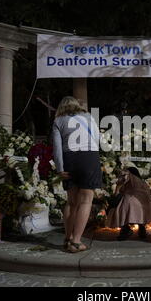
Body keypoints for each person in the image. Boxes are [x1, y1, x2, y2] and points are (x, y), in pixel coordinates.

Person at [52, 96, 102, 253]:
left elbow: (57, 147)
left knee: (71, 202)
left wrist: (60, 169)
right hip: (89, 157)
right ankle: (76, 242)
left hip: (69, 159)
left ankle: (67, 238)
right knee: (86, 201)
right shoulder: (88, 117)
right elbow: (97, 139)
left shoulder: (58, 120)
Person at [107, 167, 151, 240]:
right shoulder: (142, 183)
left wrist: (119, 186)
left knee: (122, 203)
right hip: (144, 207)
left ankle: (126, 229)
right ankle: (141, 229)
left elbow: (117, 195)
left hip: (131, 206)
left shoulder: (132, 181)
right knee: (126, 203)